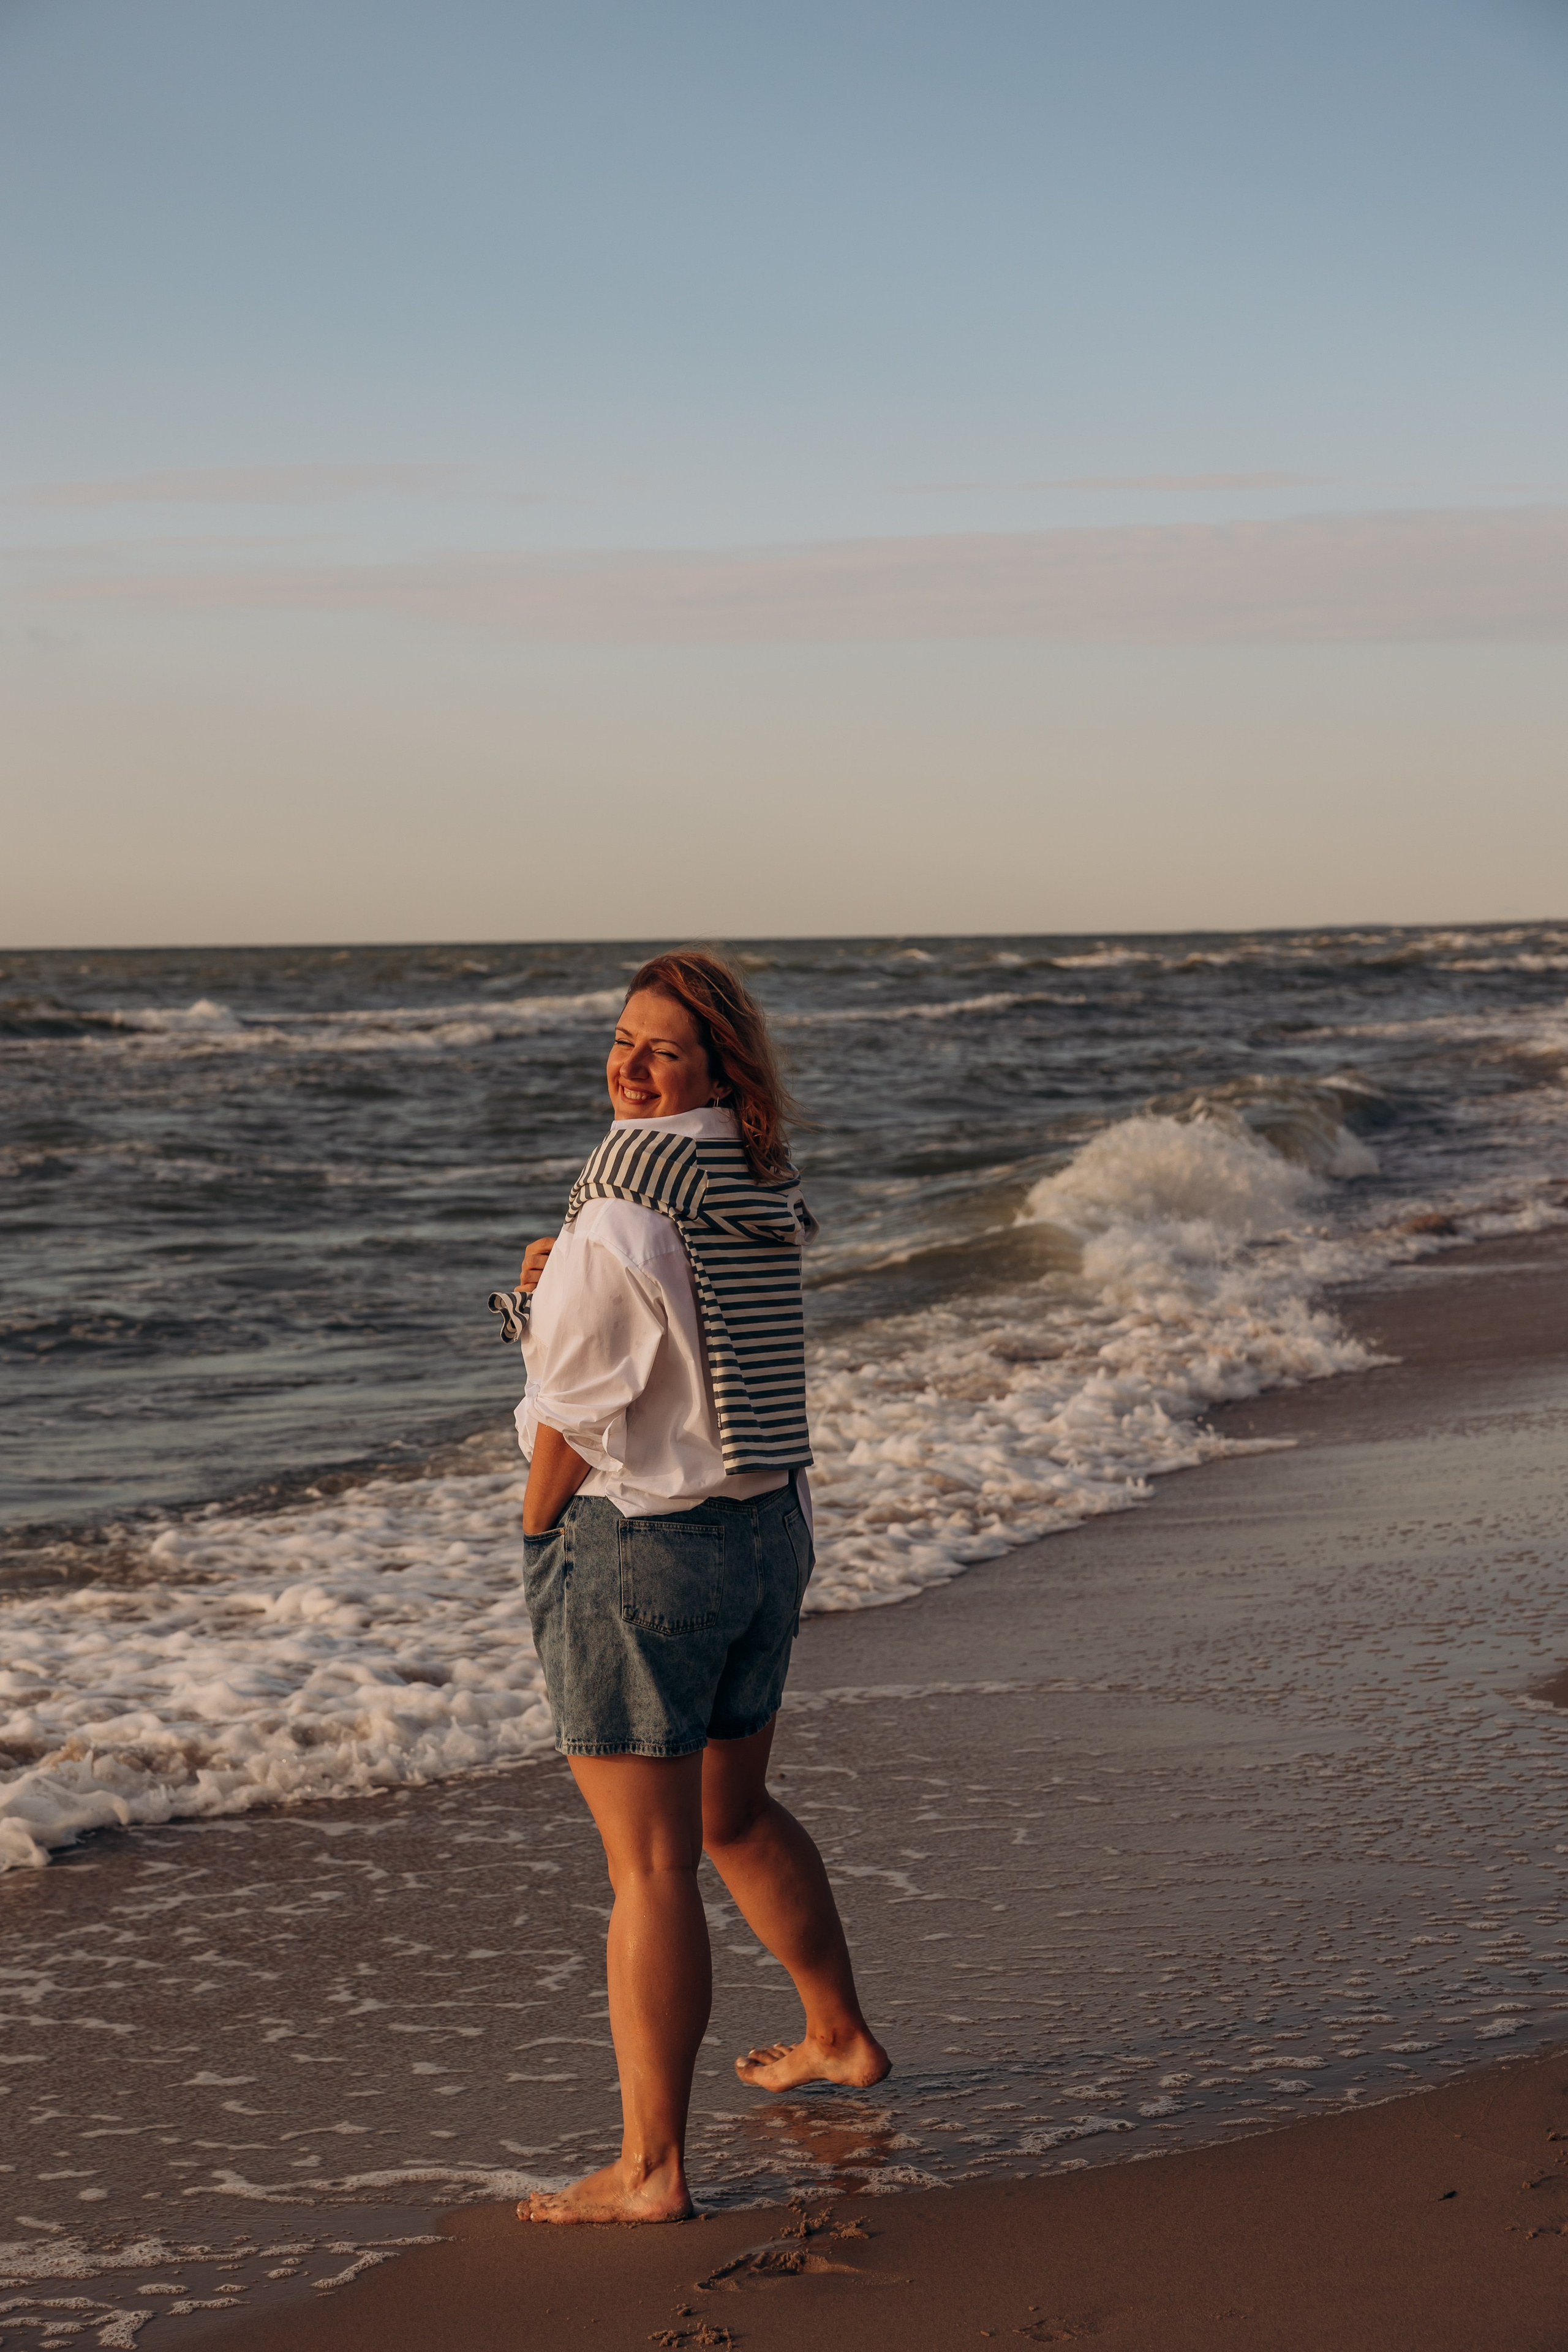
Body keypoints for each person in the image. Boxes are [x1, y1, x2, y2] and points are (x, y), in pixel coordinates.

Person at [508, 948, 888, 2226]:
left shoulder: (621, 1208)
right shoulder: (751, 1182)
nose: (629, 1066)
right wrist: (552, 1291)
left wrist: (535, 1524)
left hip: (646, 1546)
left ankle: (649, 2171)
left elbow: (576, 1407)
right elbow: (687, 1349)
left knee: (651, 1868)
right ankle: (838, 2035)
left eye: (661, 1050)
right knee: (732, 1813)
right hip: (765, 1531)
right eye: (622, 1040)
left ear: (716, 1070)